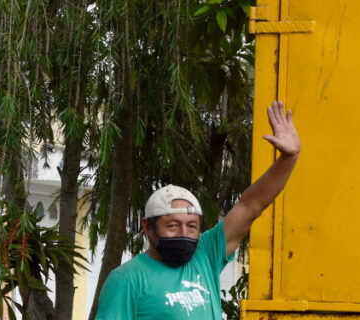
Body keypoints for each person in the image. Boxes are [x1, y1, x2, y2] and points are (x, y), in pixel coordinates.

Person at [94, 100, 301, 319]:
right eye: (172, 225)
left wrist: (288, 159)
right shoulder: (127, 279)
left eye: (192, 226)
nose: (184, 234)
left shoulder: (204, 256)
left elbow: (250, 206)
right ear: (148, 226)